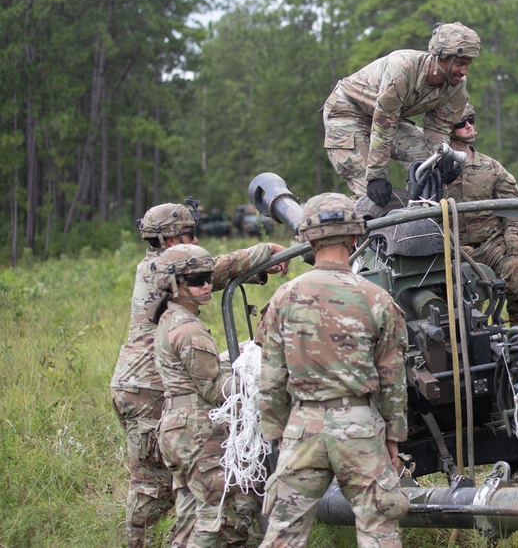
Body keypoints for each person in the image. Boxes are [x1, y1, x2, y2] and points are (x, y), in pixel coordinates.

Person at [110, 201, 287, 548]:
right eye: (188, 235)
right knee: (154, 486)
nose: (193, 241)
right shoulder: (157, 271)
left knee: (179, 489)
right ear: (169, 239)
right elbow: (213, 269)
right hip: (149, 390)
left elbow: (204, 274)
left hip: (149, 386)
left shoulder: (166, 273)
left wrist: (255, 269)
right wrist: (264, 251)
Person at [257, 193, 409, 548]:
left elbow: (271, 379)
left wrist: (279, 436)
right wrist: (392, 436)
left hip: (302, 426)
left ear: (308, 239)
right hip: (358, 426)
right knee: (378, 527)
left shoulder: (283, 297)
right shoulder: (376, 298)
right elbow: (392, 378)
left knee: (283, 532)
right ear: (355, 237)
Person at [323, 22, 481, 205]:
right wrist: (376, 176)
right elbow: (384, 123)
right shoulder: (402, 69)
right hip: (348, 114)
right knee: (371, 195)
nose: (463, 71)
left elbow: (439, 127)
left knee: (429, 164)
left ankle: (420, 214)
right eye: (460, 63)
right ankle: (343, 221)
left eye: (467, 65)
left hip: (386, 120)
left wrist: (441, 156)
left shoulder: (456, 87)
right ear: (442, 57)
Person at [152, 243, 237, 548]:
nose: (206, 286)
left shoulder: (168, 319)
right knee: (212, 515)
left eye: (209, 278)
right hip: (196, 430)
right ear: (174, 285)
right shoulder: (189, 329)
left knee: (188, 514)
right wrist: (250, 375)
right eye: (196, 280)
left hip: (175, 429)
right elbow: (214, 390)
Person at [445, 104, 518, 326]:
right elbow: (421, 212)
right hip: (449, 249)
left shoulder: (492, 168)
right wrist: (449, 246)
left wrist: (513, 235)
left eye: (471, 120)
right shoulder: (432, 169)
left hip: (490, 245)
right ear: (448, 128)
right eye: (461, 123)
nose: (469, 126)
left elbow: (512, 208)